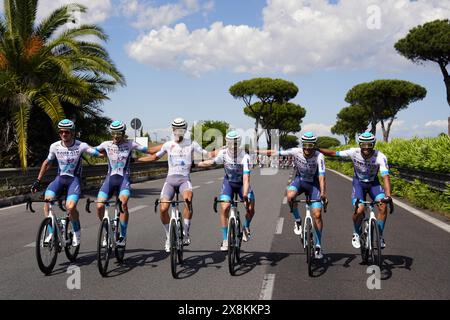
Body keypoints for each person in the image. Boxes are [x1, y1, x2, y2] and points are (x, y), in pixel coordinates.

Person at [139, 118, 213, 252]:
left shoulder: (192, 143)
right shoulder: (168, 144)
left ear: (184, 130)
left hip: (184, 180)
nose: (178, 132)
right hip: (170, 181)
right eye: (175, 130)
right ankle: (168, 236)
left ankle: (185, 232)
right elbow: (155, 157)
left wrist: (221, 152)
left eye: (181, 130)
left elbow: (207, 154)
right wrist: (136, 159)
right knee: (163, 208)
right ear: (172, 130)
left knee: (188, 200)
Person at [31, 119, 100, 246]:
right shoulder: (54, 146)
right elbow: (47, 163)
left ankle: (76, 231)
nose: (64, 134)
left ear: (72, 133)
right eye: (61, 132)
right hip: (60, 179)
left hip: (74, 180)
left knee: (70, 207)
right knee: (47, 202)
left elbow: (98, 154)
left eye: (67, 132)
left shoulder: (81, 146)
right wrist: (38, 180)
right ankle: (51, 233)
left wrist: (114, 150)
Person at [319, 132, 392, 249]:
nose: (366, 148)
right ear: (360, 144)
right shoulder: (354, 152)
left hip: (374, 184)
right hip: (359, 184)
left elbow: (385, 177)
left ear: (373, 144)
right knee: (360, 209)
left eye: (369, 145)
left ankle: (380, 235)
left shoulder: (380, 156)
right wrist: (317, 148)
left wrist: (388, 195)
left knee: (383, 205)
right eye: (364, 145)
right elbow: (334, 153)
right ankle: (356, 233)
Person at [260, 132, 327, 259]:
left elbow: (322, 177)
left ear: (314, 145)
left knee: (317, 214)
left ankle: (318, 245)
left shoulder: (319, 156)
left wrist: (323, 193)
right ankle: (297, 220)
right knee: (290, 196)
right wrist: (256, 151)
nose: (307, 148)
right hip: (300, 180)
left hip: (314, 184)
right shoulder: (296, 151)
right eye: (305, 145)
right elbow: (274, 152)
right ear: (302, 145)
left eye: (310, 145)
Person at [95, 120, 154, 247]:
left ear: (123, 133)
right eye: (113, 133)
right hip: (109, 180)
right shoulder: (106, 144)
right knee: (99, 206)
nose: (116, 136)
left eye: (119, 133)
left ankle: (122, 235)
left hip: (123, 180)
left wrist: (167, 148)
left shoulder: (130, 144)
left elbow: (148, 151)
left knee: (123, 204)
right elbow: (91, 151)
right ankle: (107, 231)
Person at [198, 131, 256, 251]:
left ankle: (246, 227)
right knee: (224, 208)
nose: (233, 147)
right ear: (227, 143)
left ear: (239, 144)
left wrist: (245, 194)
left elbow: (246, 178)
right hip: (229, 183)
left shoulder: (245, 156)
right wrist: (200, 163)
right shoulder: (223, 154)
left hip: (241, 185)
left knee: (250, 208)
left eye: (235, 144)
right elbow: (213, 162)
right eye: (230, 143)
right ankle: (225, 239)